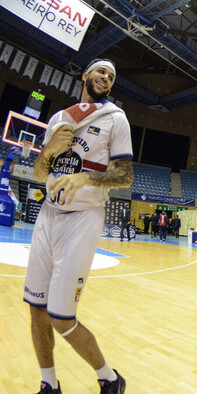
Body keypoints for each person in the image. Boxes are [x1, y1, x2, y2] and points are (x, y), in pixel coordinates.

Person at [23, 58, 130, 394]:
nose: (106, 78)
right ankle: (49, 383)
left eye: (111, 76)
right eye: (101, 72)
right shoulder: (58, 118)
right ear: (86, 75)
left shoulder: (116, 118)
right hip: (48, 217)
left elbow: (124, 176)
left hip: (83, 219)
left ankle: (110, 377)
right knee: (37, 309)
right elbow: (41, 173)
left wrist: (83, 177)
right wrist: (49, 151)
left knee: (60, 316)